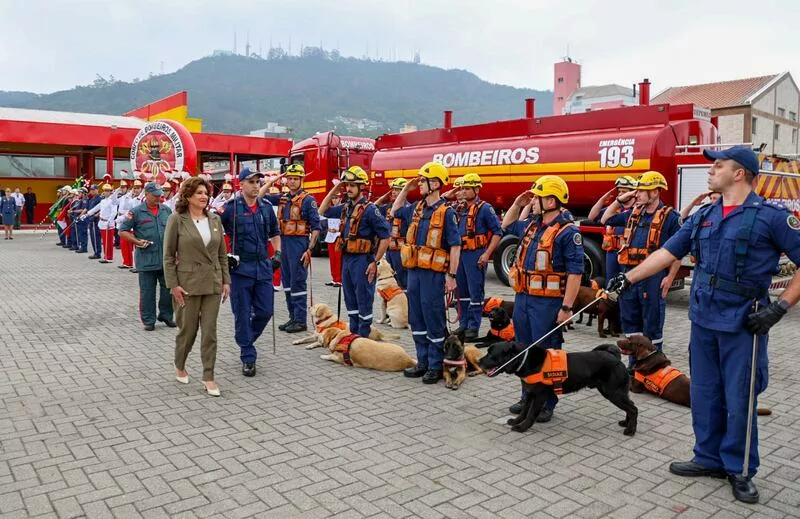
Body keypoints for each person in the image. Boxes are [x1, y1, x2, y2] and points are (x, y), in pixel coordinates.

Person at [607, 145, 800, 504]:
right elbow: (668, 252)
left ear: (739, 173)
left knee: (739, 398)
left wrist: (781, 307)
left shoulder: (770, 217)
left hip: (746, 323)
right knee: (705, 394)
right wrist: (627, 279)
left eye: (719, 165)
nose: (710, 171)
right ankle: (708, 458)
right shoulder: (704, 215)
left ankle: (739, 469)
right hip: (704, 319)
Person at [501, 176, 584, 421]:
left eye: (537, 197)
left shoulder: (568, 233)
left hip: (547, 304)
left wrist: (567, 307)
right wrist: (517, 204)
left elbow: (575, 273)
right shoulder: (533, 224)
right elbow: (507, 224)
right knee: (523, 350)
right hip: (524, 299)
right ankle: (527, 395)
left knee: (547, 353)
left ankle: (547, 402)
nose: (534, 201)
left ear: (551, 201)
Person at [391, 162, 461, 384]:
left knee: (433, 318)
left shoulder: (446, 212)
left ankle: (435, 365)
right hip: (414, 273)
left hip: (433, 275)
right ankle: (422, 362)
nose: (419, 183)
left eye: (423, 180)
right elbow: (394, 211)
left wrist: (451, 276)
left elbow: (455, 246)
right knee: (417, 317)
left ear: (435, 184)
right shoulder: (417, 208)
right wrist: (405, 189)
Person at [600, 171, 681, 358]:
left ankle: (654, 366)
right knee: (630, 321)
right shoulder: (633, 214)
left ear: (655, 192)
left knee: (652, 324)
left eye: (642, 191)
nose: (637, 194)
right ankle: (633, 365)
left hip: (653, 278)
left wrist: (670, 278)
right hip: (629, 275)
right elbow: (605, 219)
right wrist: (620, 200)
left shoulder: (670, 217)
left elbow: (678, 251)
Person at [163, 177, 230, 397]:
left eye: (206, 192)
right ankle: (179, 363)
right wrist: (173, 285)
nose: (204, 196)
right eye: (199, 192)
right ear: (188, 195)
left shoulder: (215, 220)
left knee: (209, 332)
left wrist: (226, 281)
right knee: (188, 331)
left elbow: (221, 254)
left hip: (212, 283)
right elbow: (168, 256)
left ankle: (208, 376)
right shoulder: (177, 220)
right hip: (187, 285)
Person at [220, 168, 282, 377]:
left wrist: (278, 253)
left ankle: (245, 340)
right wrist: (223, 257)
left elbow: (274, 233)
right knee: (242, 314)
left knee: (265, 311)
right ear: (241, 185)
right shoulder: (231, 209)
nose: (256, 185)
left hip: (263, 268)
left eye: (258, 182)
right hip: (240, 270)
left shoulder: (266, 208)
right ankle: (248, 355)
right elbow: (216, 233)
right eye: (251, 182)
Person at [319, 166, 390, 337]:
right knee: (350, 298)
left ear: (361, 187)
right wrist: (336, 188)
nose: (348, 189)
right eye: (347, 185)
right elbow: (321, 211)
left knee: (363, 300)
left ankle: (363, 338)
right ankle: (353, 336)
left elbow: (385, 236)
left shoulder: (370, 209)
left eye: (352, 185)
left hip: (363, 261)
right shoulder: (345, 208)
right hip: (347, 260)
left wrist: (376, 262)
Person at [262, 164, 320, 333]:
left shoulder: (308, 200)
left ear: (302, 180)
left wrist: (309, 249)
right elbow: (260, 195)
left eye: (296, 178)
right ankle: (292, 317)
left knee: (298, 282)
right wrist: (274, 180)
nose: (292, 181)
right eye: (290, 178)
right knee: (287, 283)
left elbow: (316, 227)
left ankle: (301, 320)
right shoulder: (283, 198)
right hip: (284, 243)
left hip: (299, 244)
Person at [118, 182, 174, 331]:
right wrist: (136, 241)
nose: (158, 198)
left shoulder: (166, 210)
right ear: (147, 194)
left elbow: (173, 232)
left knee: (168, 290)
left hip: (165, 259)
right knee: (147, 292)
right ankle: (149, 320)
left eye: (159, 195)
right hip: (146, 259)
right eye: (155, 195)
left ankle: (166, 315)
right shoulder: (136, 212)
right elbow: (122, 231)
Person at [453, 173, 502, 339]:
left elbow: (497, 232)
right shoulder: (459, 208)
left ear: (476, 189)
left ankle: (473, 327)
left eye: (467, 188)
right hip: (460, 254)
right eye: (462, 188)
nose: (463, 191)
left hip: (475, 255)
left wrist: (487, 253)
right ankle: (463, 324)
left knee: (475, 293)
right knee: (461, 292)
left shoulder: (485, 208)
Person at [587, 176, 638, 285]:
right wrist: (602, 200)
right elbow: (592, 217)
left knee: (626, 285)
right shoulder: (614, 210)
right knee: (610, 284)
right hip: (611, 253)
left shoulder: (636, 211)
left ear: (632, 193)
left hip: (627, 254)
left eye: (624, 192)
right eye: (619, 191)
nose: (620, 194)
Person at [375, 178, 409, 290]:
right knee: (391, 281)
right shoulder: (388, 208)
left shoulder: (409, 208)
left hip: (401, 251)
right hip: (389, 251)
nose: (393, 192)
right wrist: (383, 197)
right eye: (393, 189)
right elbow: (374, 207)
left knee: (403, 281)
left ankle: (406, 305)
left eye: (397, 190)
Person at [82, 184, 118, 263]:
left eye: (108, 191)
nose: (106, 192)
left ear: (111, 192)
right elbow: (95, 209)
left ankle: (109, 258)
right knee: (105, 241)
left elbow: (114, 212)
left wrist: (109, 221)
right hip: (102, 222)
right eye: (105, 191)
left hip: (108, 223)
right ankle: (106, 257)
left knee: (109, 242)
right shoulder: (103, 201)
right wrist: (86, 215)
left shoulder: (113, 201)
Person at [116, 179, 143, 269]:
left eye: (138, 188)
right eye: (134, 188)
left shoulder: (140, 199)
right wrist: (117, 190)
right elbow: (113, 201)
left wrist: (121, 216)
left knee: (136, 246)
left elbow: (131, 212)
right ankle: (127, 263)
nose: (135, 190)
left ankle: (137, 265)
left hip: (135, 224)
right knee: (124, 244)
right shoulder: (127, 197)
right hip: (125, 222)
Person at [323, 191, 343, 287]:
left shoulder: (344, 208)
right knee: (332, 258)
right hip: (330, 236)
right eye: (333, 198)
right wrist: (327, 228)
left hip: (338, 236)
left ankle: (339, 279)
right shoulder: (329, 210)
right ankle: (334, 278)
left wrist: (339, 230)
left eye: (336, 198)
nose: (334, 200)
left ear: (340, 199)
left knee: (338, 258)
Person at [86, 185, 103, 259]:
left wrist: (95, 215)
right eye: (91, 190)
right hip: (90, 219)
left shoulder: (100, 199)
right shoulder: (91, 199)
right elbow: (88, 209)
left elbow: (101, 209)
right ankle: (95, 251)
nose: (92, 191)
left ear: (97, 190)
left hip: (95, 220)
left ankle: (97, 253)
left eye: (93, 190)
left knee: (96, 237)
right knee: (93, 237)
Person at [70, 187, 89, 253]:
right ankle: (81, 246)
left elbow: (82, 210)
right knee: (80, 234)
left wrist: (73, 211)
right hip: (79, 219)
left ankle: (83, 248)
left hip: (83, 220)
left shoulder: (85, 200)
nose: (79, 194)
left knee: (83, 234)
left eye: (80, 193)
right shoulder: (80, 200)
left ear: (84, 193)